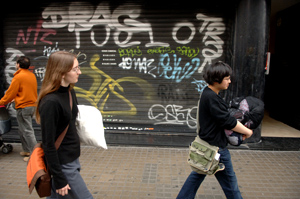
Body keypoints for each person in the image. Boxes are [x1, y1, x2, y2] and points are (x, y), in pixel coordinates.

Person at [176, 61, 253, 199]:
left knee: (197, 176)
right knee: (230, 185)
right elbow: (228, 121)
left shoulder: (208, 92)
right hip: (217, 149)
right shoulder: (211, 97)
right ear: (217, 80)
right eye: (227, 78)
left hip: (207, 147)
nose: (230, 81)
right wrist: (248, 132)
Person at [35, 51, 93, 199]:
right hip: (63, 165)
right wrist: (60, 179)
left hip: (72, 158)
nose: (79, 72)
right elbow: (48, 144)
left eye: (78, 67)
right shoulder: (51, 102)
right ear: (61, 73)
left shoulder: (69, 92)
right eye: (75, 69)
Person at [0, 56, 37, 161]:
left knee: (28, 131)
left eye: (16, 63)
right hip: (31, 105)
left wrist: (1, 102)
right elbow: (25, 91)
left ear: (19, 65)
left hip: (24, 107)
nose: (15, 65)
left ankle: (34, 155)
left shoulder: (18, 77)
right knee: (22, 130)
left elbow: (10, 93)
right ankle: (26, 150)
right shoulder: (31, 75)